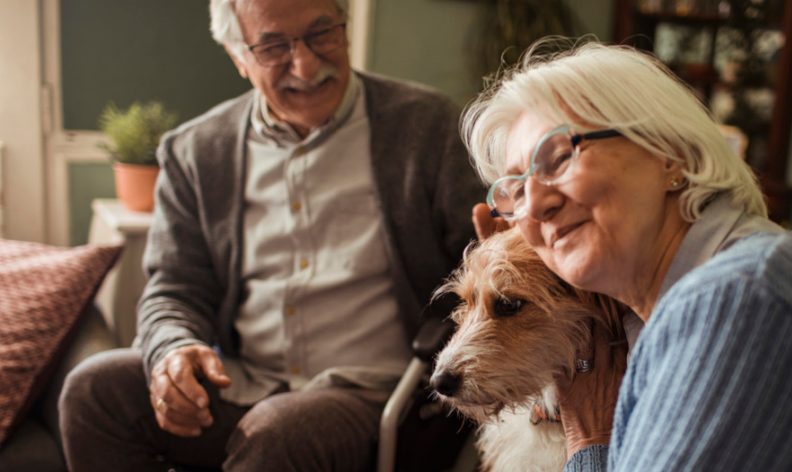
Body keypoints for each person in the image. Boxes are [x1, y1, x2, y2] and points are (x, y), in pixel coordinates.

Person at [463, 39, 792, 471]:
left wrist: (590, 439)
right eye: (516, 186)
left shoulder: (739, 298)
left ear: (670, 155)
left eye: (561, 156)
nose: (537, 201)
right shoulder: (688, 298)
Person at [58, 0, 481, 470]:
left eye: (322, 33)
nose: (305, 63)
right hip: (243, 383)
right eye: (274, 46)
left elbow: (482, 260)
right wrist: (173, 349)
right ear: (237, 56)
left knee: (279, 434)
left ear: (344, 27)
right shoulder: (197, 152)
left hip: (377, 394)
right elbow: (173, 289)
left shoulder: (429, 127)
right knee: (93, 390)